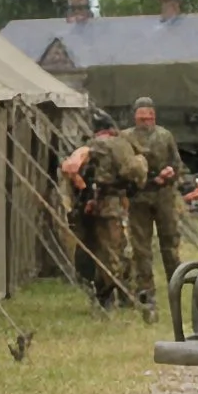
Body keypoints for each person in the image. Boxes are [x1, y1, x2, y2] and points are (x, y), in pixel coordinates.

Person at [59, 109, 148, 310]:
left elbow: (71, 167)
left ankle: (108, 298)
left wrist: (77, 174)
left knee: (106, 254)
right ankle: (126, 296)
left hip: (104, 206)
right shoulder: (124, 146)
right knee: (118, 250)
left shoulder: (100, 145)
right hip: (116, 204)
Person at [122, 97, 183, 314]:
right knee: (141, 246)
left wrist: (170, 174)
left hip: (164, 197)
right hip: (139, 198)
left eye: (149, 114)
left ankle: (176, 284)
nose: (146, 118)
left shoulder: (165, 136)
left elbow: (177, 164)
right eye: (142, 115)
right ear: (135, 116)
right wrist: (146, 181)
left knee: (170, 241)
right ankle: (145, 290)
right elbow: (124, 169)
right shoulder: (126, 138)